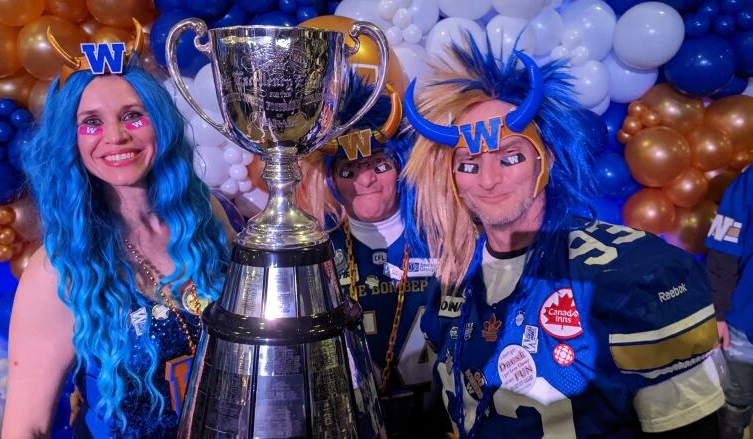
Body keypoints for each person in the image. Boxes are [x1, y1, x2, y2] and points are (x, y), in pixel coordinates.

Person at [402, 38, 724, 438]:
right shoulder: (453, 277)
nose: (488, 180)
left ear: (546, 159)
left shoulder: (632, 275)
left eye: (510, 157)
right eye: (469, 164)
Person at [2, 26, 233, 438]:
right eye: (91, 122)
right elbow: (26, 428)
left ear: (159, 122)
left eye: (132, 115)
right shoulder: (59, 268)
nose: (116, 136)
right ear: (69, 140)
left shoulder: (205, 218)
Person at [299, 74, 447, 437]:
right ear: (332, 179)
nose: (364, 182)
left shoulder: (443, 238)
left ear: (400, 169)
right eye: (349, 170)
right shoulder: (316, 251)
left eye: (378, 165)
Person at [706, 165, 752, 439]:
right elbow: (723, 250)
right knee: (734, 406)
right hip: (744, 323)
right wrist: (718, 313)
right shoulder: (750, 180)